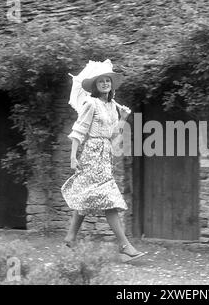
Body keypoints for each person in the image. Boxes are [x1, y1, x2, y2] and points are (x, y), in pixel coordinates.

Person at [61, 59, 145, 262]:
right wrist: (73, 156)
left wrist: (123, 118)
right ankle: (124, 245)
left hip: (105, 154)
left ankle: (71, 237)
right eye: (101, 81)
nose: (105, 83)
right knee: (109, 198)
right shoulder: (91, 103)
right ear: (95, 86)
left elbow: (113, 134)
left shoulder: (112, 106)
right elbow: (79, 130)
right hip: (92, 153)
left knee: (87, 195)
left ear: (111, 84)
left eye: (108, 80)